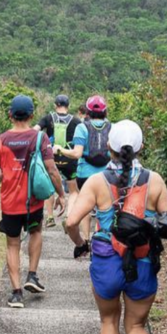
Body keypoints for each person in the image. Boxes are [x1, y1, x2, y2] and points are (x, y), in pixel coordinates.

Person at [65, 120, 167, 334]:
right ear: (141, 148)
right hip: (142, 262)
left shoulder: (97, 182)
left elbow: (71, 221)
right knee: (137, 324)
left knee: (109, 320)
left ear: (109, 147)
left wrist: (81, 243)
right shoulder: (156, 181)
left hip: (106, 262)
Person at [0, 95, 66, 308]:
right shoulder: (40, 138)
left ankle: (15, 293)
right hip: (33, 203)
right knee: (36, 232)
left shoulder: (0, 140)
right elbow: (51, 169)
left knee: (13, 244)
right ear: (32, 115)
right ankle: (32, 275)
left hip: (10, 204)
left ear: (10, 115)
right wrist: (61, 194)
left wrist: (2, 175)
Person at [56, 95, 110, 258]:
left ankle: (85, 241)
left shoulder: (82, 127)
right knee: (104, 207)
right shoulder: (111, 127)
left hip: (84, 174)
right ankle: (101, 240)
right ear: (105, 112)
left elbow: (77, 153)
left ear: (87, 111)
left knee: (86, 208)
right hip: (106, 175)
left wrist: (59, 149)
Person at [35, 94, 81, 228]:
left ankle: (50, 217)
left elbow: (35, 130)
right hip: (69, 159)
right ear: (68, 106)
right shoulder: (76, 121)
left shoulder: (48, 118)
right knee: (73, 191)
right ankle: (69, 217)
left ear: (55, 105)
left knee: (50, 189)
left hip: (51, 159)